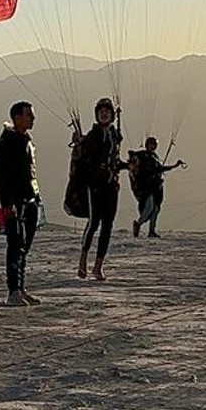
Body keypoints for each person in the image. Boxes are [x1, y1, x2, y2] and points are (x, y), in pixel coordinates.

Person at [73, 97, 127, 280]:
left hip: (112, 186)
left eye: (107, 112)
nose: (104, 114)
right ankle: (82, 260)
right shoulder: (92, 137)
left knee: (107, 225)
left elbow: (115, 161)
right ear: (97, 115)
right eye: (101, 111)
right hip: (95, 186)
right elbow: (86, 162)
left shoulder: (114, 136)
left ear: (112, 115)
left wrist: (128, 166)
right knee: (94, 222)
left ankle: (98, 265)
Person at [0, 101, 42, 307]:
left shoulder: (26, 140)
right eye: (29, 115)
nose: (33, 119)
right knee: (16, 245)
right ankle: (13, 291)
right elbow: (2, 176)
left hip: (31, 199)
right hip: (16, 202)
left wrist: (37, 197)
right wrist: (7, 202)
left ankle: (20, 288)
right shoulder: (6, 144)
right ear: (17, 117)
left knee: (24, 247)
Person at [131, 136, 185, 238]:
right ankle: (138, 224)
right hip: (147, 187)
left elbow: (160, 168)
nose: (152, 147)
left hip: (156, 187)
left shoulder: (155, 157)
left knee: (156, 209)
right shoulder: (143, 155)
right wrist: (132, 155)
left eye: (154, 145)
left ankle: (151, 230)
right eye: (151, 145)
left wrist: (175, 166)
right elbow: (135, 158)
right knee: (149, 207)